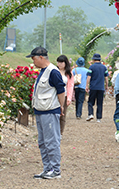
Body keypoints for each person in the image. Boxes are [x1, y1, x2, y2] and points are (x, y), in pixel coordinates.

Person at [30, 46, 66, 179]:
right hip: (40, 110)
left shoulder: (52, 71)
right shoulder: (43, 71)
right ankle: (47, 168)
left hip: (50, 111)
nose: (33, 62)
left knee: (51, 141)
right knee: (43, 142)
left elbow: (61, 90)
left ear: (41, 57)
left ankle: (56, 170)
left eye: (34, 59)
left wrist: (60, 106)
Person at [86, 53, 108, 122]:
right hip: (101, 87)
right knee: (100, 103)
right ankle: (98, 118)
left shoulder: (91, 67)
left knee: (90, 102)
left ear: (93, 59)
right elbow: (106, 78)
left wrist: (87, 85)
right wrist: (106, 86)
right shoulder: (104, 67)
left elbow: (89, 77)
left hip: (93, 87)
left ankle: (91, 114)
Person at [56, 55, 75, 133]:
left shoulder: (69, 73)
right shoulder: (55, 71)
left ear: (65, 63)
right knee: (54, 115)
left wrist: (69, 98)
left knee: (62, 115)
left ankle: (60, 132)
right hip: (55, 95)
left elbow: (70, 86)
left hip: (64, 95)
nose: (59, 64)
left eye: (61, 62)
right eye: (58, 62)